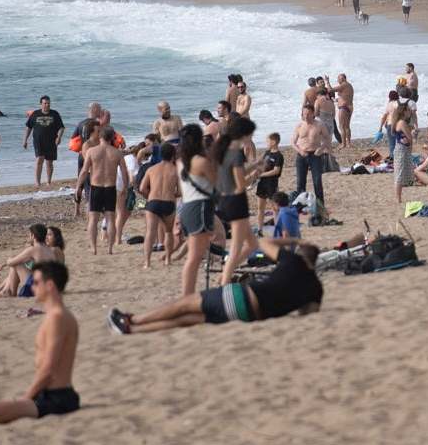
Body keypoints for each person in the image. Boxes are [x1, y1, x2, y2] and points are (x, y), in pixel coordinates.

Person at [108, 240, 322, 334]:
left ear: (300, 255)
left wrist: (292, 239)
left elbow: (264, 242)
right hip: (252, 315)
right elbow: (307, 313)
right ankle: (133, 330)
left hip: (242, 297)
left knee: (184, 305)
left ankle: (132, 320)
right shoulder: (316, 288)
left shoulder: (293, 262)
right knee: (187, 321)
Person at [0, 262, 80, 423]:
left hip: (58, 397)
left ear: (49, 285)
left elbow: (49, 369)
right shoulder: (55, 315)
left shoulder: (58, 317)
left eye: (35, 282)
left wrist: (26, 398)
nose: (32, 287)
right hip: (48, 393)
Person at [215, 117, 259, 286]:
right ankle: (225, 281)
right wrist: (254, 176)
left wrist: (255, 166)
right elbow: (240, 184)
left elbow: (233, 174)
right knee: (236, 247)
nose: (251, 138)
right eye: (250, 135)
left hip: (225, 199)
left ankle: (224, 275)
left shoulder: (224, 150)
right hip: (237, 202)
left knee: (252, 244)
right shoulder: (236, 153)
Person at [176, 124, 217, 296]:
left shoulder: (180, 162)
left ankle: (188, 295)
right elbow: (218, 183)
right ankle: (187, 296)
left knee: (195, 255)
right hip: (199, 207)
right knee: (194, 256)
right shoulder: (200, 161)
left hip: (188, 207)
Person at [77, 122, 130, 255]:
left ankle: (94, 248)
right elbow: (124, 172)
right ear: (112, 138)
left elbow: (84, 171)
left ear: (100, 136)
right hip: (110, 188)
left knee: (93, 219)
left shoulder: (91, 151)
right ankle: (110, 249)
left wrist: (78, 187)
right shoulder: (117, 153)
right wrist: (125, 187)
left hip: (96, 187)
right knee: (111, 218)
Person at [139, 142, 179, 269]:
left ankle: (147, 263)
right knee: (168, 232)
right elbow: (181, 192)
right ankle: (167, 259)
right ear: (173, 155)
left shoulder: (152, 169)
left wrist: (149, 197)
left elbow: (142, 188)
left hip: (153, 202)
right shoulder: (176, 170)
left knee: (150, 233)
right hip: (168, 203)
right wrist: (173, 195)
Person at [0, 224, 57, 298]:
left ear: (33, 236)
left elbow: (11, 262)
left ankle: (9, 292)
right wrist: (3, 265)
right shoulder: (49, 250)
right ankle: (6, 290)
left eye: (29, 234)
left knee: (16, 264)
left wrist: (8, 259)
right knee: (21, 264)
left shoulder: (33, 249)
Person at [292, 103, 329, 208]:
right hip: (301, 155)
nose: (306, 116)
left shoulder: (319, 125)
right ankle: (300, 205)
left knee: (317, 181)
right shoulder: (299, 125)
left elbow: (327, 138)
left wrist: (321, 149)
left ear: (313, 113)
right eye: (304, 114)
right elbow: (293, 142)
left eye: (308, 114)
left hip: (315, 155)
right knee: (300, 182)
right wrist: (299, 151)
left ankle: (320, 205)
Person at [24, 96, 65, 188]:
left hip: (51, 141)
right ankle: (37, 182)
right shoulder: (35, 114)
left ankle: (48, 182)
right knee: (39, 160)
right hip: (38, 141)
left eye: (48, 103)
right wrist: (25, 140)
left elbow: (61, 127)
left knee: (49, 162)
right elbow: (28, 127)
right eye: (45, 103)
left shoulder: (55, 114)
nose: (47, 105)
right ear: (41, 104)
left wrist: (59, 137)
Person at [254, 133, 285, 234]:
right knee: (260, 208)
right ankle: (260, 229)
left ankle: (278, 230)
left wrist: (262, 174)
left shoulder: (279, 156)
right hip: (262, 184)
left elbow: (276, 171)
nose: (266, 143)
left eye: (268, 141)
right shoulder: (267, 152)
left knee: (275, 208)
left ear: (274, 142)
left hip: (272, 184)